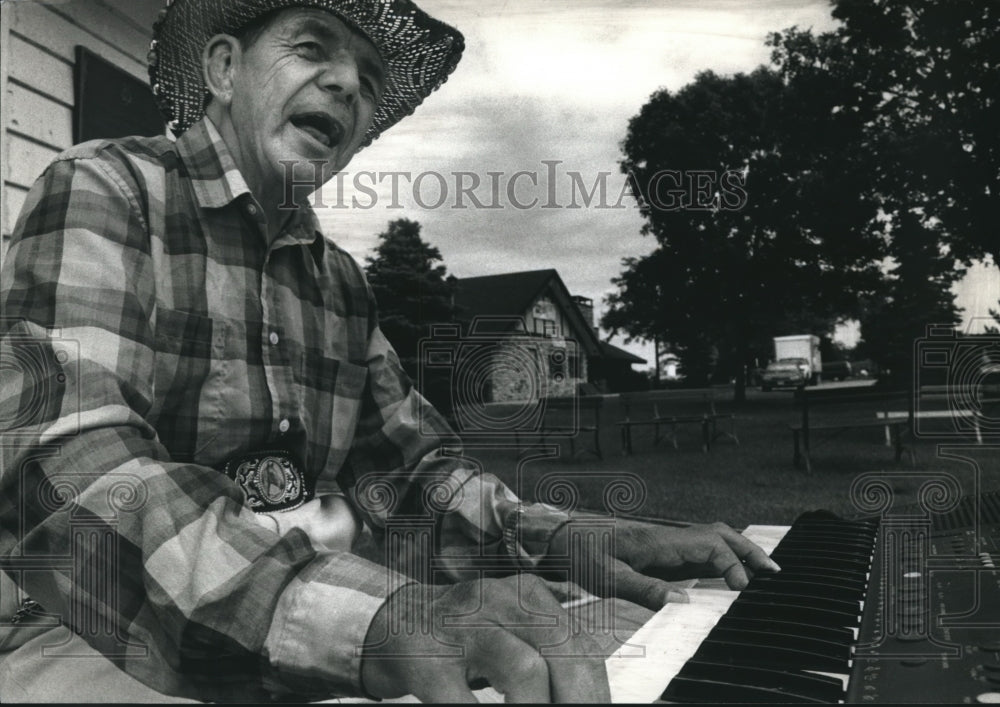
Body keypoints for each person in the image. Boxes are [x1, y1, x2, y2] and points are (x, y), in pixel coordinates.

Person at [0, 0, 779, 702]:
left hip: (306, 625)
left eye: (368, 80)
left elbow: (409, 480)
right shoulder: (108, 188)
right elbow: (72, 468)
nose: (346, 84)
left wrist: (568, 538)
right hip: (79, 623)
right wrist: (374, 622)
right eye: (313, 49)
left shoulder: (337, 279)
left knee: (607, 654)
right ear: (225, 68)